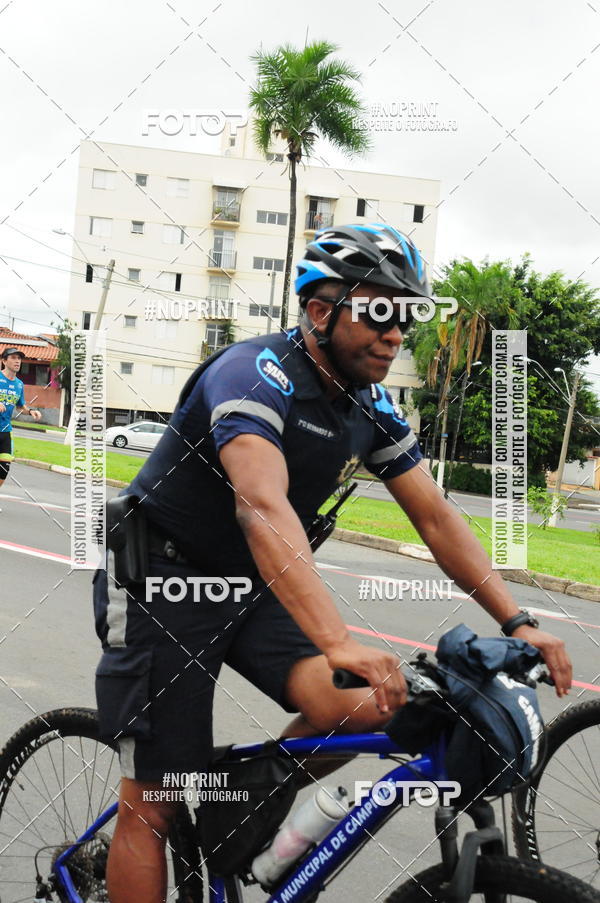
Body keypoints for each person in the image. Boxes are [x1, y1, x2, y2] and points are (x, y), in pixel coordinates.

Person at [94, 223, 572, 903]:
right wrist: (336, 638)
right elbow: (259, 505)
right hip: (163, 583)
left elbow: (436, 517)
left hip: (249, 588)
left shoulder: (369, 406)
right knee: (157, 799)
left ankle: (241, 810)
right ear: (321, 312)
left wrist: (517, 618)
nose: (396, 334)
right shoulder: (252, 375)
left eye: (405, 317)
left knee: (371, 709)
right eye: (379, 312)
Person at [0, 348, 42, 500]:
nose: (18, 361)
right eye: (13, 358)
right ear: (4, 361)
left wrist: (30, 411)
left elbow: (20, 405)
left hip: (5, 431)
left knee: (4, 468)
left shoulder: (19, 384)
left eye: (19, 358)